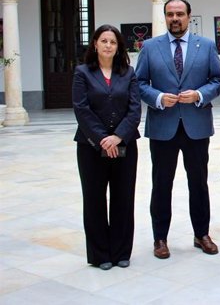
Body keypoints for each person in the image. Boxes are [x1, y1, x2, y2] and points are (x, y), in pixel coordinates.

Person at [136, 0, 220, 259]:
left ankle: (202, 234)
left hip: (196, 126)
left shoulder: (206, 46)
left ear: (189, 16)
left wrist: (199, 94)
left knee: (198, 183)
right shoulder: (150, 47)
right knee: (161, 184)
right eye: (170, 14)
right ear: (165, 17)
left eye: (180, 14)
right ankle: (160, 239)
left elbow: (218, 80)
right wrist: (158, 98)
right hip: (163, 126)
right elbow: (139, 82)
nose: (175, 18)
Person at [72, 24, 140, 270]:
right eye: (104, 41)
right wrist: (103, 138)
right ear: (95, 44)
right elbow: (81, 109)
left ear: (118, 46)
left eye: (113, 42)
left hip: (125, 146)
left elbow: (134, 110)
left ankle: (121, 251)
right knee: (94, 200)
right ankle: (101, 254)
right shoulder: (82, 73)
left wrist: (118, 137)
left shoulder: (128, 73)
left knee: (123, 198)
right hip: (91, 147)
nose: (108, 45)